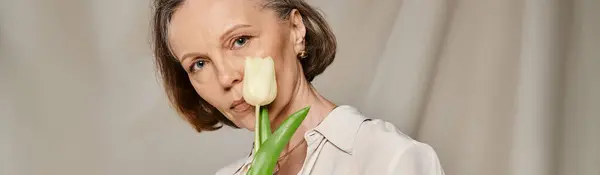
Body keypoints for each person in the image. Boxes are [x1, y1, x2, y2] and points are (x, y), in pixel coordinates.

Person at [151, 0, 445, 174]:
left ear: (295, 31)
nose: (226, 77)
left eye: (240, 41)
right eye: (199, 64)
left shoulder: (390, 160)